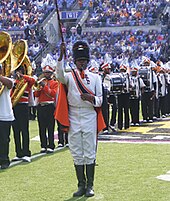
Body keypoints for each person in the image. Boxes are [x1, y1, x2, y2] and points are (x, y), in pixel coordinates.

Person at [56, 41, 105, 197]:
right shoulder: (70, 76)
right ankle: (81, 185)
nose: (81, 63)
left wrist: (91, 98)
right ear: (75, 61)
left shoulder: (96, 77)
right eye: (79, 60)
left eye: (84, 60)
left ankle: (90, 185)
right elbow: (59, 76)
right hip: (74, 115)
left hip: (89, 113)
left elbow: (100, 100)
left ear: (87, 61)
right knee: (76, 150)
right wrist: (61, 57)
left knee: (89, 150)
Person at [11, 65, 35, 163]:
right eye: (16, 71)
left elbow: (33, 81)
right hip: (14, 107)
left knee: (24, 130)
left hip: (24, 106)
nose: (17, 73)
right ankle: (18, 153)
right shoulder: (13, 82)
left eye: (19, 71)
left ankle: (26, 153)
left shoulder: (26, 81)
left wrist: (23, 76)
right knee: (16, 131)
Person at [34, 65, 58, 153]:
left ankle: (51, 145)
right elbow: (36, 95)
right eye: (45, 73)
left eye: (48, 73)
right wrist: (39, 88)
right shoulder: (41, 82)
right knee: (42, 127)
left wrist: (45, 87)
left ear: (51, 74)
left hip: (50, 106)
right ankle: (43, 145)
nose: (46, 74)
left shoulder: (55, 83)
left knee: (50, 126)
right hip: (41, 106)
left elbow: (53, 94)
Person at [0, 66, 14, 169]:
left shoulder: (7, 80)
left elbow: (9, 84)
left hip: (4, 115)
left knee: (4, 139)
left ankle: (4, 160)